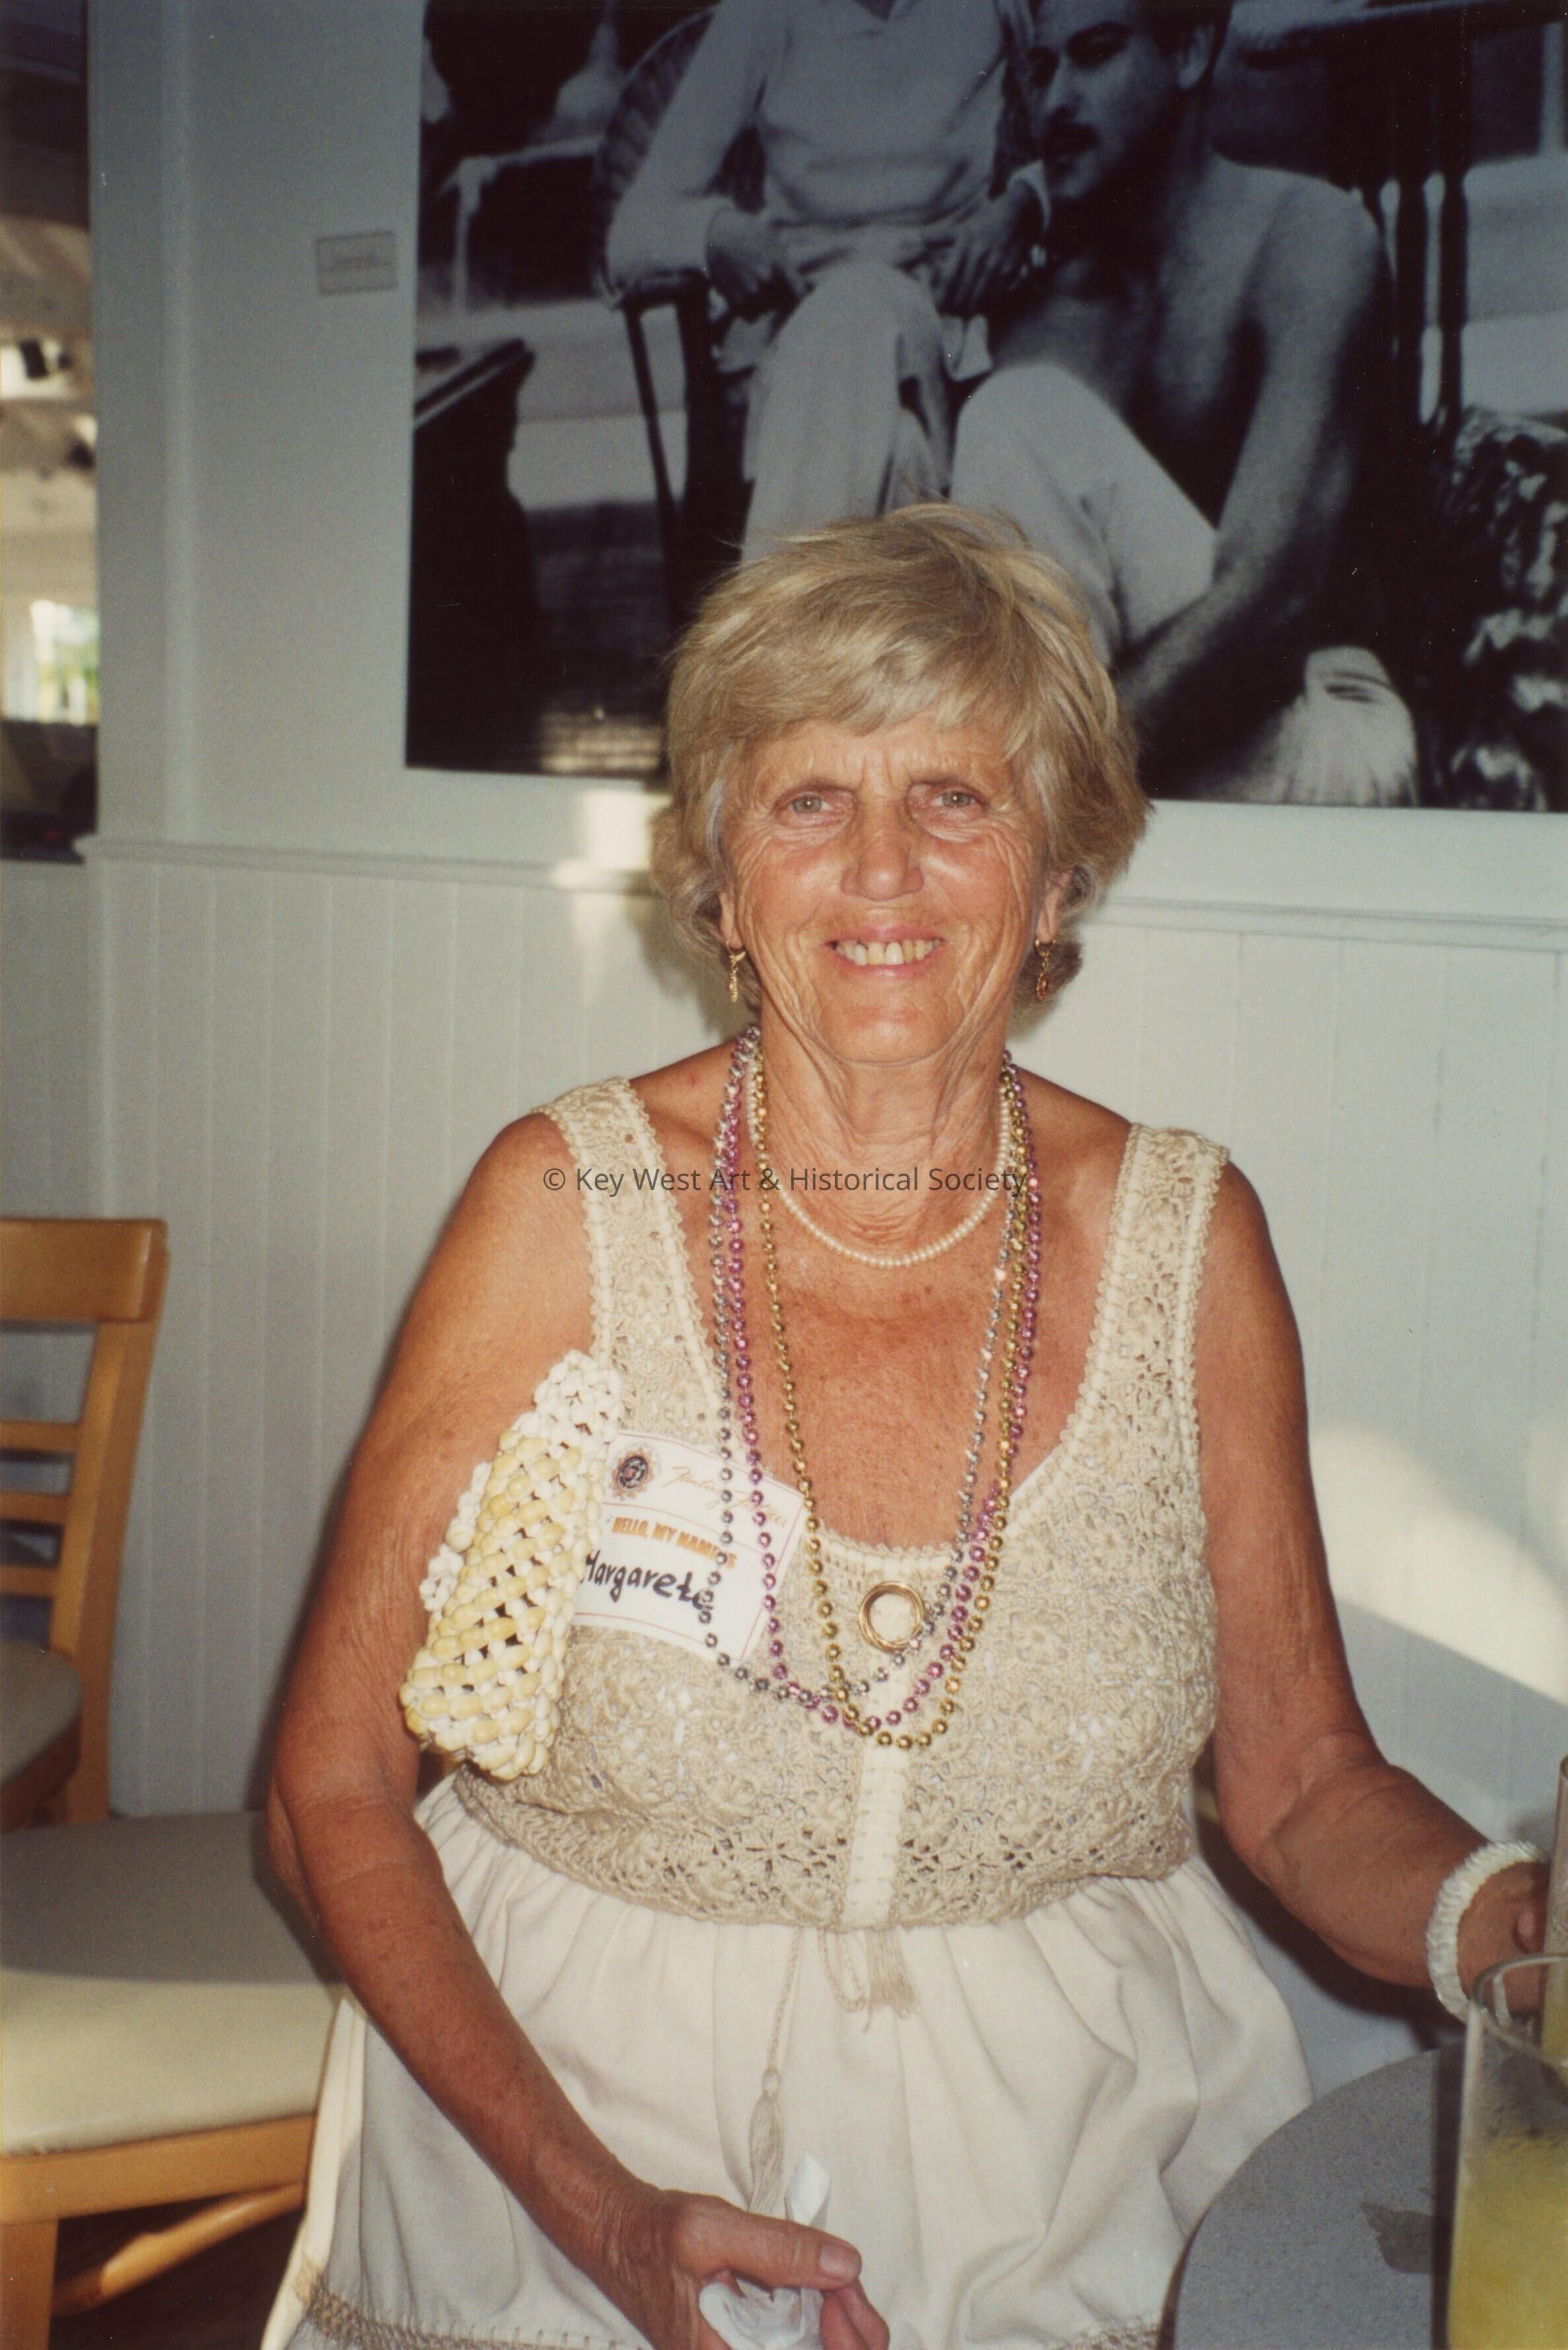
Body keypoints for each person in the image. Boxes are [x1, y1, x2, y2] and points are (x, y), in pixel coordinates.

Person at [264, 506, 1544, 2350]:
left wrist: (1510, 1922)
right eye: (807, 800)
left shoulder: (1185, 1242)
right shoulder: (559, 1208)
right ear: (718, 881)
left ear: (1056, 875)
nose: (880, 866)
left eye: (953, 796)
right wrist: (605, 2217)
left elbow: (1297, 1782)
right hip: (558, 2172)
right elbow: (326, 1786)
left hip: (1068, 2185)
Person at [949, 0, 1417, 804]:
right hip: (1128, 765)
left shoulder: (1304, 238)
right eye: (1040, 70)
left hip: (1317, 731)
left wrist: (1046, 796)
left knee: (1014, 417)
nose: (1056, 101)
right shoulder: (1041, 318)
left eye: (1096, 53)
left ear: (1191, 50)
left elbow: (1275, 600)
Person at [605, 0, 1043, 554]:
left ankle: (778, 603)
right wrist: (713, 232)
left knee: (857, 310)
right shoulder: (763, 13)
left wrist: (1026, 203)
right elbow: (629, 234)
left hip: (948, 318)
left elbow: (1093, 137)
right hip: (801, 322)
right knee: (902, 448)